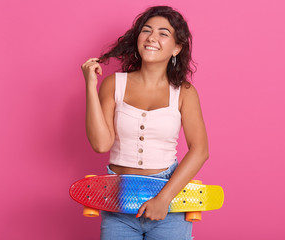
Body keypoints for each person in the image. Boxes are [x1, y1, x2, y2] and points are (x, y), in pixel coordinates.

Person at [80, 5, 209, 240]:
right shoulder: (113, 84)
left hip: (168, 199)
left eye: (163, 33)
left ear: (177, 48)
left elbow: (200, 151)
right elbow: (101, 145)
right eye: (146, 30)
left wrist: (163, 199)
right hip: (118, 201)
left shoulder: (185, 92)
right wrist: (90, 85)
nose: (152, 37)